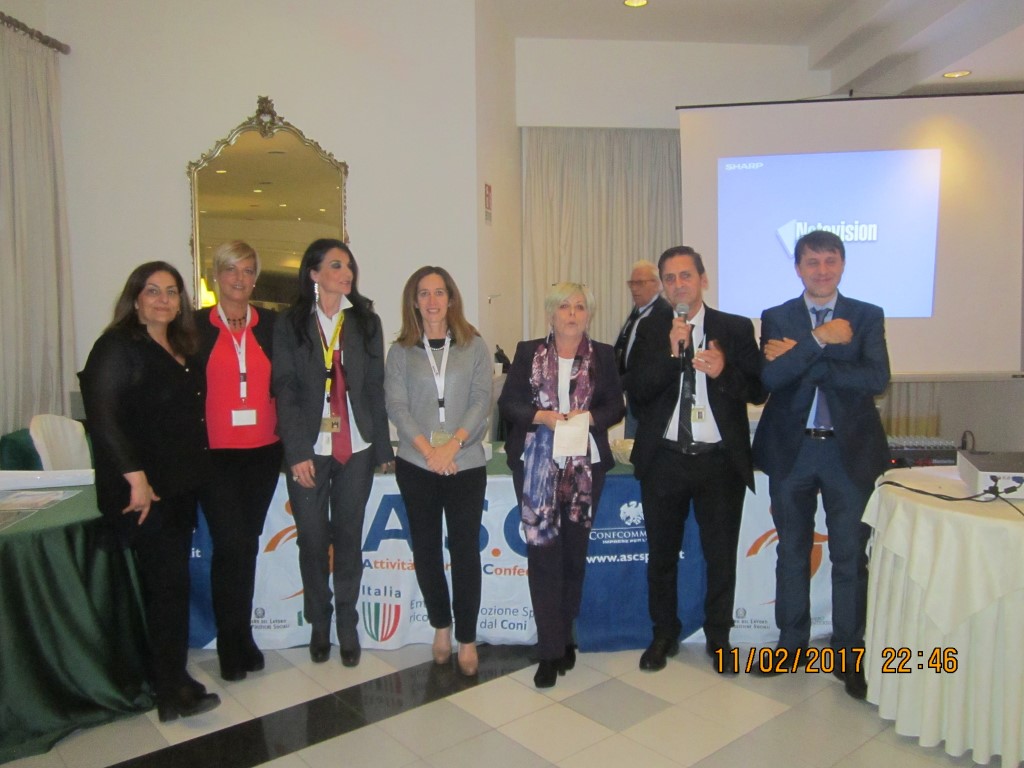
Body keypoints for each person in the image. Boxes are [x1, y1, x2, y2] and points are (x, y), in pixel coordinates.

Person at [752, 229, 890, 700]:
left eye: (831, 260)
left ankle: (848, 654)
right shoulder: (777, 316)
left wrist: (803, 355)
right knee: (791, 551)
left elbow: (876, 378)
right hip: (791, 450)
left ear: (843, 264)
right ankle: (791, 645)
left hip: (848, 452)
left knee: (849, 556)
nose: (822, 270)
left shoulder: (867, 315)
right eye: (812, 262)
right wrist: (820, 338)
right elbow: (771, 378)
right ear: (798, 268)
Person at [80, 261, 220, 722]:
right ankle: (169, 687)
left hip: (178, 485)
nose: (163, 299)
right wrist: (136, 479)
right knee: (165, 588)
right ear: (136, 298)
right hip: (142, 490)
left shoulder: (181, 345)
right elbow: (103, 419)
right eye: (153, 291)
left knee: (171, 587)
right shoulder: (118, 346)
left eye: (172, 291)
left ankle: (171, 678)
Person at [626, 246, 764, 673]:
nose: (678, 284)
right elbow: (638, 394)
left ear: (703, 279)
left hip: (718, 462)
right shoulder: (651, 329)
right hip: (665, 460)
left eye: (686, 275)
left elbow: (758, 389)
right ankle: (663, 634)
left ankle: (719, 638)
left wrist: (725, 370)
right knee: (662, 556)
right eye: (670, 278)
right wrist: (673, 354)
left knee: (720, 557)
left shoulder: (734, 328)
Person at [273, 239, 394, 668]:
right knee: (311, 539)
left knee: (348, 538)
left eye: (349, 266)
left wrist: (383, 447)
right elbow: (285, 389)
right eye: (336, 266)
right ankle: (318, 623)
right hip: (308, 449)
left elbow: (374, 386)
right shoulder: (290, 323)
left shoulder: (365, 321)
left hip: (355, 446)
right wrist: (296, 451)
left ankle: (346, 624)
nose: (347, 273)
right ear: (314, 273)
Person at [499, 282, 624, 688]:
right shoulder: (528, 352)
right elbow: (509, 404)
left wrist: (589, 418)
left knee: (573, 556)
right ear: (551, 313)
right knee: (544, 557)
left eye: (580, 307)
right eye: (565, 306)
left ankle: (565, 634)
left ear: (589, 314)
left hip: (585, 467)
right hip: (537, 466)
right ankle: (549, 651)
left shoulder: (604, 355)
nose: (572, 314)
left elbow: (615, 406)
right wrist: (542, 417)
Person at [384, 266, 492, 676]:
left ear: (451, 299)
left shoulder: (473, 346)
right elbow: (397, 407)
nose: (432, 301)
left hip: (465, 462)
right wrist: (430, 451)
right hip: (418, 463)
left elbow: (481, 400)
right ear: (414, 302)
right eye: (424, 294)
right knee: (426, 550)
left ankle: (467, 636)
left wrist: (452, 446)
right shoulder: (401, 352)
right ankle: (441, 627)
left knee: (464, 551)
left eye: (439, 292)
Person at [195, 241, 283, 682]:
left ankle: (243, 635)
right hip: (215, 455)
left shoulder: (272, 325)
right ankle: (230, 645)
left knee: (246, 544)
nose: (240, 279)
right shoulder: (193, 326)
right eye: (231, 270)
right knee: (229, 544)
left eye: (248, 271)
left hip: (263, 452)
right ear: (216, 276)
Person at [614, 260, 672, 437]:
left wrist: (618, 383)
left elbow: (650, 363)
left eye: (640, 283)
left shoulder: (663, 314)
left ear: (657, 285)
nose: (634, 289)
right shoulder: (638, 311)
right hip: (633, 397)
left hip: (649, 401)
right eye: (631, 283)